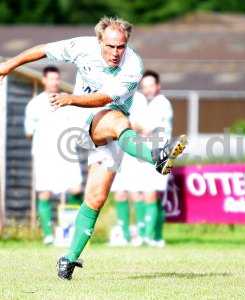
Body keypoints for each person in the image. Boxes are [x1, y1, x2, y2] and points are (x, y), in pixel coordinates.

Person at [0, 16, 187, 280]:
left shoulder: (133, 66)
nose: (115, 53)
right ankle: (156, 155)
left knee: (96, 198)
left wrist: (71, 97)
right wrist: (9, 64)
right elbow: (42, 50)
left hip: (110, 128)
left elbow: (104, 98)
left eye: (121, 47)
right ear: (99, 40)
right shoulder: (81, 46)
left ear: (127, 44)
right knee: (119, 120)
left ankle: (68, 259)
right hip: (83, 120)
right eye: (110, 46)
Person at [112, 70, 172, 248]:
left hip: (159, 155)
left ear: (158, 86)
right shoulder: (140, 102)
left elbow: (144, 128)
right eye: (144, 86)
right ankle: (146, 236)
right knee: (140, 193)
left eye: (151, 86)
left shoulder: (162, 103)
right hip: (144, 155)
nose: (147, 90)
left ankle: (150, 236)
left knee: (151, 195)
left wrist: (127, 125)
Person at [25, 66, 84, 245]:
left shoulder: (68, 101)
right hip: (45, 155)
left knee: (76, 190)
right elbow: (29, 131)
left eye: (57, 79)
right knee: (44, 193)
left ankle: (75, 231)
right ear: (44, 80)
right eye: (51, 79)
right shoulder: (35, 104)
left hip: (66, 154)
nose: (54, 82)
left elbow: (78, 127)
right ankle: (48, 234)